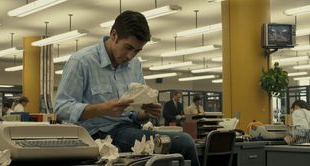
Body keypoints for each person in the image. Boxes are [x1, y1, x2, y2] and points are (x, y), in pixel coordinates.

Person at [54, 11, 200, 166]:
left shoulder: (134, 65)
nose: (130, 56)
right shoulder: (82, 61)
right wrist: (102, 109)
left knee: (178, 143)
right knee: (185, 142)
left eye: (137, 51)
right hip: (98, 135)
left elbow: (134, 114)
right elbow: (62, 108)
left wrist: (145, 112)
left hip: (130, 130)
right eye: (128, 47)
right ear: (113, 35)